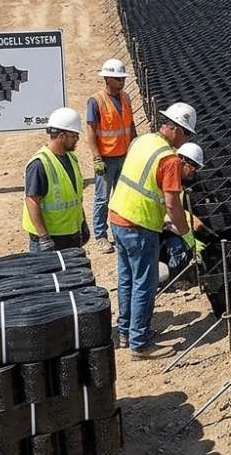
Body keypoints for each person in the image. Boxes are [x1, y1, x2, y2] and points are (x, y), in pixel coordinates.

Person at [108, 102, 196, 360]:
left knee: (126, 280)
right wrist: (187, 236)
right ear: (177, 129)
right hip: (139, 225)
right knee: (144, 284)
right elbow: (172, 203)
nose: (186, 139)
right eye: (187, 133)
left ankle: (126, 333)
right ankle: (140, 343)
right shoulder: (169, 159)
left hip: (118, 216)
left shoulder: (143, 141)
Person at [85, 59, 137, 254]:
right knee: (102, 199)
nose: (121, 82)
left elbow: (130, 126)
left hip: (124, 155)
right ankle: (100, 235)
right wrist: (96, 157)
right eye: (117, 78)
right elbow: (91, 131)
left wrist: (135, 146)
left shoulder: (126, 98)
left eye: (122, 78)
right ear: (107, 78)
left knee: (123, 196)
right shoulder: (96, 101)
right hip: (106, 158)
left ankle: (120, 232)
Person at [23, 107, 90, 252]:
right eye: (74, 136)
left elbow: (75, 196)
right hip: (50, 239)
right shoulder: (39, 164)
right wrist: (44, 237)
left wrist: (82, 222)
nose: (77, 139)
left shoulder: (71, 158)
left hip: (70, 234)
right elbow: (32, 201)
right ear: (61, 136)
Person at [161, 142, 208, 273]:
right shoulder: (169, 179)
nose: (195, 171)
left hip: (165, 224)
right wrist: (190, 239)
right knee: (176, 244)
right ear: (183, 161)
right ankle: (175, 275)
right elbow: (166, 219)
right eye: (194, 166)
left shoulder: (179, 183)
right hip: (153, 230)